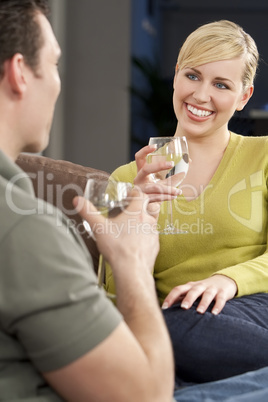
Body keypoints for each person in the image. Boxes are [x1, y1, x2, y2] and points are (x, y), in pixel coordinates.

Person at [0, 1, 176, 401]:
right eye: (56, 63)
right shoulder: (24, 230)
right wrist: (132, 263)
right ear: (19, 73)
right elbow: (148, 396)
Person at [105, 19, 268, 385]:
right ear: (177, 75)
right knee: (155, 347)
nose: (201, 95)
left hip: (256, 309)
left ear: (243, 96)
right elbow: (117, 300)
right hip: (182, 334)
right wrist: (137, 221)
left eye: (221, 84)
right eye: (193, 76)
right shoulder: (122, 180)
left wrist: (227, 280)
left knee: (163, 332)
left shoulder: (265, 155)